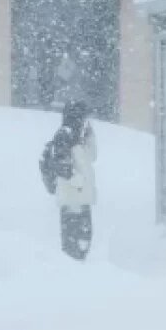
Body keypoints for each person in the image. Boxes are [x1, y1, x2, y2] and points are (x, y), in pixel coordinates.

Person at [51, 101, 97, 261]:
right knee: (73, 241)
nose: (86, 121)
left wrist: (90, 135)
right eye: (84, 117)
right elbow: (61, 163)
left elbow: (93, 156)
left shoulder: (80, 135)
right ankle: (72, 272)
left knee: (85, 237)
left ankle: (80, 269)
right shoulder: (65, 134)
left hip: (82, 197)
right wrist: (75, 179)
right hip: (71, 198)